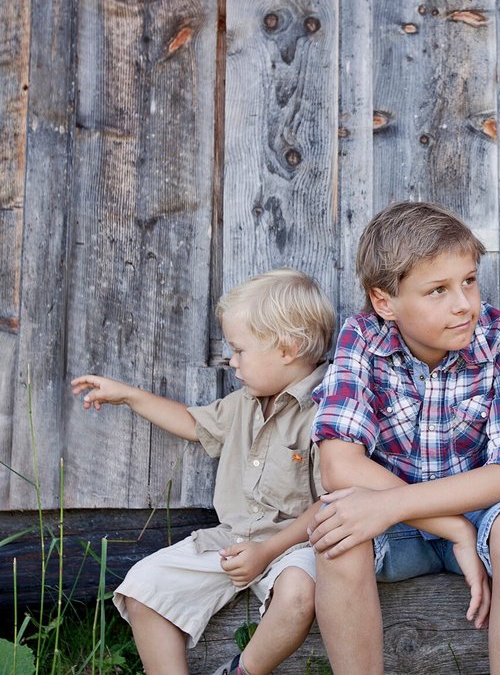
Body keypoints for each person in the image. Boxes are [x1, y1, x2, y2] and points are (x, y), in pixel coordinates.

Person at [307, 200, 500, 674]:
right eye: (437, 290)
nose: (463, 303)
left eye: (468, 281)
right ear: (385, 303)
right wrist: (447, 525)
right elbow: (339, 466)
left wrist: (406, 507)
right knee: (336, 528)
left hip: (480, 516)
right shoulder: (361, 338)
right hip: (400, 532)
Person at [70, 269, 336, 675]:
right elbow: (194, 425)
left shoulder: (326, 410)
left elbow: (330, 504)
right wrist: (129, 395)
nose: (232, 361)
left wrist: (266, 551)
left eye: (240, 350)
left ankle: (242, 670)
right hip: (232, 541)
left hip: (295, 547)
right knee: (143, 587)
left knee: (300, 594)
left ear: (289, 348)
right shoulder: (244, 403)